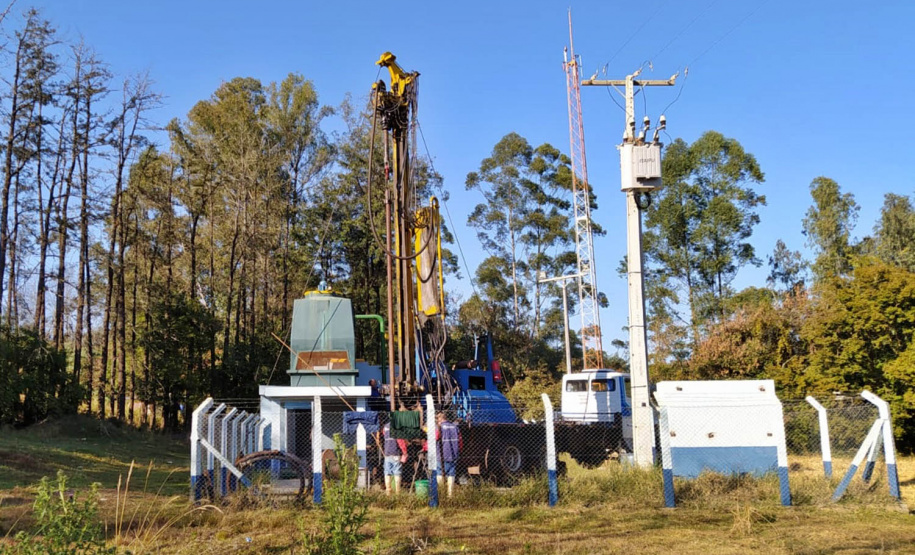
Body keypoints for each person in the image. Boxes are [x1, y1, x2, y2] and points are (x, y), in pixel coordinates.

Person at [437, 412, 462, 498]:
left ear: (440, 419)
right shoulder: (455, 427)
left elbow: (435, 437)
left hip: (441, 454)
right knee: (451, 473)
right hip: (453, 454)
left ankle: (441, 493)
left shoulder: (439, 427)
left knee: (439, 472)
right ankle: (450, 494)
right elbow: (460, 442)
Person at [381, 420, 408, 495]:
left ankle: (388, 492)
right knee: (397, 472)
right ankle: (398, 492)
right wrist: (405, 452)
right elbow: (400, 442)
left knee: (387, 472)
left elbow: (384, 434)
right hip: (395, 453)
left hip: (387, 453)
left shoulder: (385, 426)